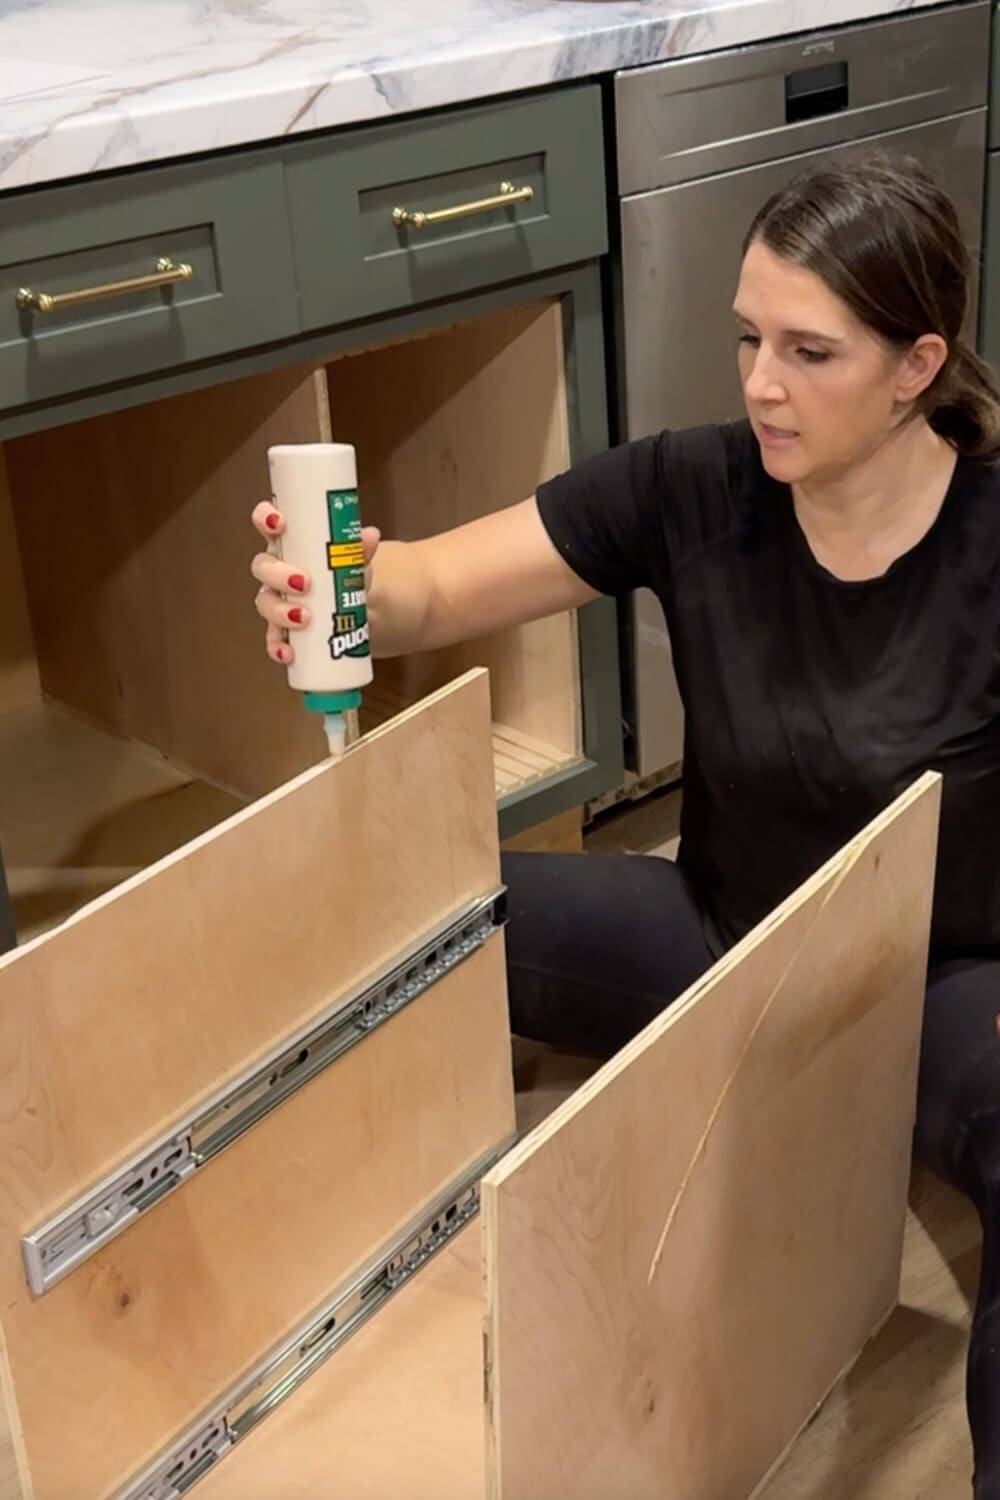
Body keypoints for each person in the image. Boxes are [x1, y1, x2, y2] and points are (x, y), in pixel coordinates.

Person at [251, 151, 1000, 1495]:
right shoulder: (696, 487)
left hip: (948, 980)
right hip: (722, 931)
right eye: (747, 339)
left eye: (810, 351)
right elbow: (424, 590)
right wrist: (334, 584)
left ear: (915, 364)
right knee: (392, 913)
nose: (760, 384)